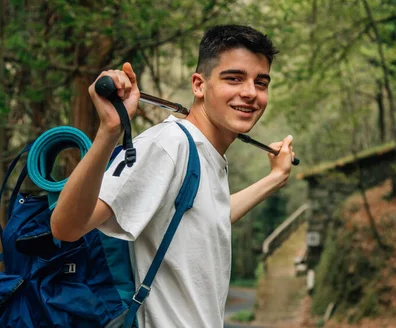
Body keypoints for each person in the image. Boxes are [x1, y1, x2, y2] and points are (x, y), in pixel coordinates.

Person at [51, 25, 295, 327]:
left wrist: (274, 178)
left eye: (261, 82)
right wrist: (109, 131)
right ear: (199, 85)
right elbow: (67, 227)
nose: (250, 92)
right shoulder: (170, 145)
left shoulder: (206, 154)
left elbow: (210, 218)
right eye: (234, 78)